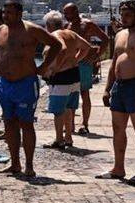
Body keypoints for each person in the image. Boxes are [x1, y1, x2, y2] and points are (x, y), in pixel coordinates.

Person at [0, 0, 62, 179]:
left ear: (20, 14)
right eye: (4, 12)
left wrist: (44, 66)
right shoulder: (1, 30)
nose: (5, 15)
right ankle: (15, 163)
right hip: (4, 84)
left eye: (10, 13)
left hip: (25, 83)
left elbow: (56, 45)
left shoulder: (31, 29)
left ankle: (29, 165)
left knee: (26, 123)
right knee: (9, 123)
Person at [98, 0, 135, 184]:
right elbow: (114, 62)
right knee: (117, 128)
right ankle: (118, 168)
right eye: (122, 14)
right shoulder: (121, 34)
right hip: (119, 87)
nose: (124, 18)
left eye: (128, 14)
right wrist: (107, 88)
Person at [40, 11, 94, 149]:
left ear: (49, 25)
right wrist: (75, 60)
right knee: (69, 108)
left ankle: (59, 139)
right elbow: (87, 47)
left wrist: (56, 68)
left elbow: (62, 49)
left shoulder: (55, 35)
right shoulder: (71, 33)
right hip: (74, 74)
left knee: (58, 111)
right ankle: (68, 138)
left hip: (61, 77)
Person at [62, 3, 109, 135]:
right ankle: (70, 124)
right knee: (70, 94)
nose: (65, 16)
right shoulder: (67, 26)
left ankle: (85, 123)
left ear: (76, 11)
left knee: (84, 93)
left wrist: (97, 56)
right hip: (70, 64)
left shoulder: (87, 24)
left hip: (83, 64)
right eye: (64, 13)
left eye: (67, 13)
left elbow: (105, 39)